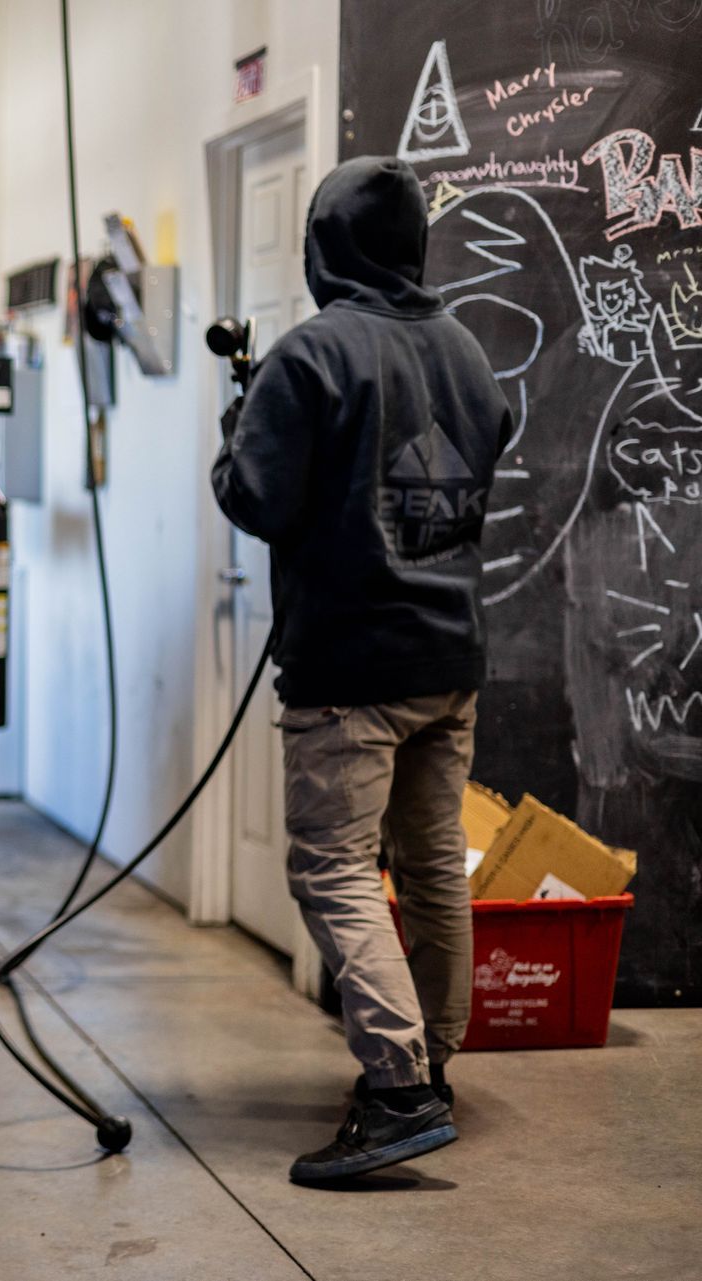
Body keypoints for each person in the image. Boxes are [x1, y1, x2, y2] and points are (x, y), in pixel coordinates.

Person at [211, 155, 514, 1184]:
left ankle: (397, 1089)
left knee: (333, 869)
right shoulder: (470, 350)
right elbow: (482, 446)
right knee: (432, 868)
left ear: (323, 246)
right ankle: (435, 1061)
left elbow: (255, 498)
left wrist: (235, 429)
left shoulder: (312, 356)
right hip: (451, 656)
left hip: (351, 668)